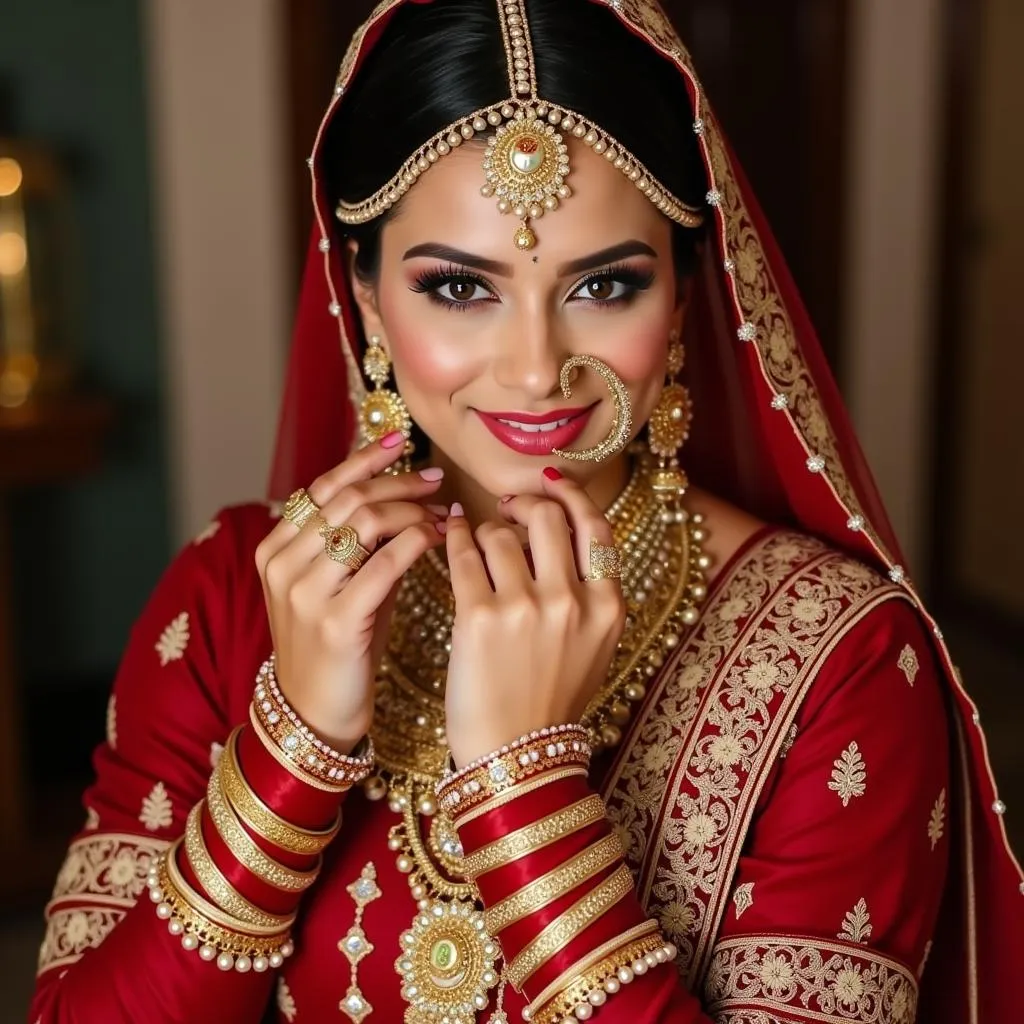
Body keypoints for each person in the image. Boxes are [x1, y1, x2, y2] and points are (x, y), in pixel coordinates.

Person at [28, 1, 1024, 1022]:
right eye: (460, 287)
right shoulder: (239, 588)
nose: (538, 369)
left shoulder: (836, 656)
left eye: (605, 285)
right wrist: (289, 749)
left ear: (684, 292)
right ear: (364, 294)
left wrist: (524, 792)